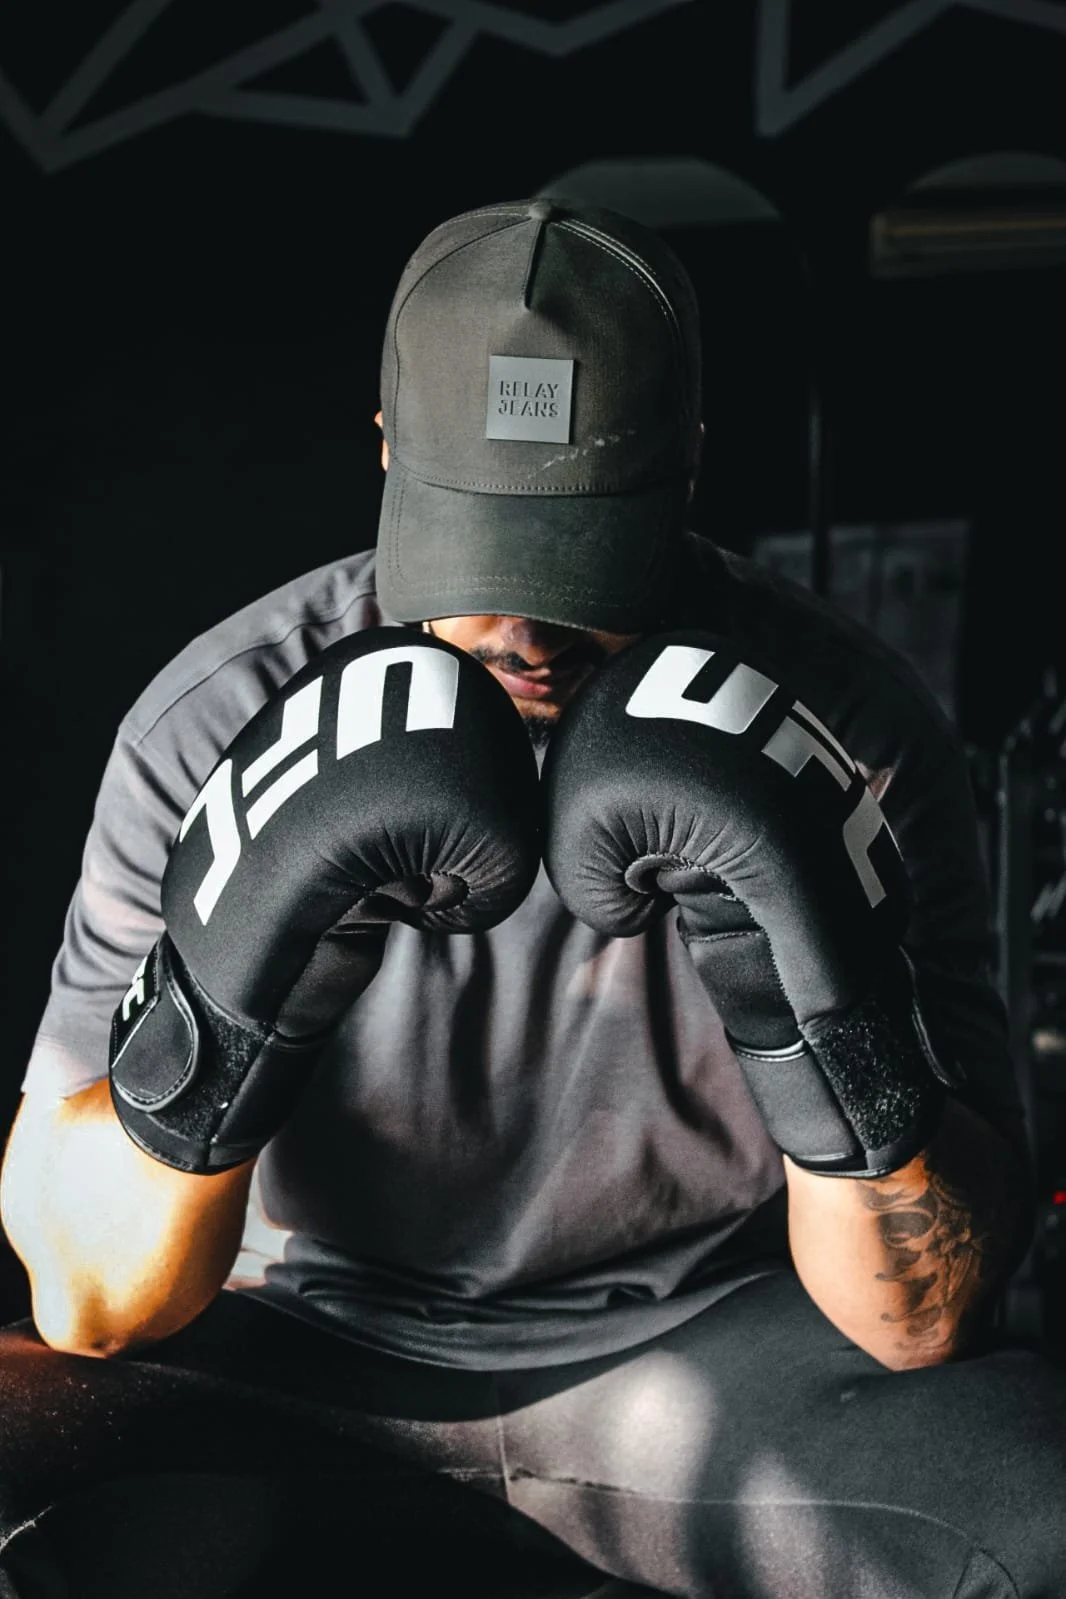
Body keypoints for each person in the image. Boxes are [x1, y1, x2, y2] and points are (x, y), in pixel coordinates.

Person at [0, 193, 1064, 1599]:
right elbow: (88, 1301)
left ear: (688, 467)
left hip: (706, 1346)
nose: (524, 630)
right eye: (479, 554)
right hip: (297, 1345)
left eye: (579, 556)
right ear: (389, 451)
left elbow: (921, 1320)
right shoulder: (218, 721)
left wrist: (824, 1013)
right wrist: (231, 991)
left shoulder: (847, 728)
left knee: (1040, 1519)